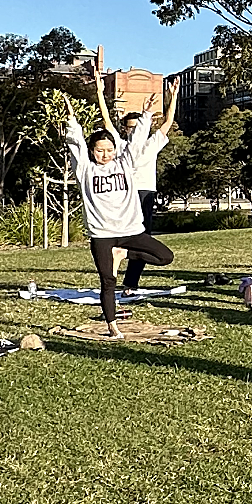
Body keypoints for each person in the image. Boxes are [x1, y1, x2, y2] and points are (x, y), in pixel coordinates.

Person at [63, 88, 176, 338]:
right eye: (99, 151)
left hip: (130, 231)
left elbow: (136, 142)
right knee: (108, 282)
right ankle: (113, 327)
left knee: (165, 257)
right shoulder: (84, 170)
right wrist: (72, 121)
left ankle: (123, 253)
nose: (105, 155)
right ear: (92, 151)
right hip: (102, 234)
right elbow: (76, 144)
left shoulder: (125, 163)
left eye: (109, 150)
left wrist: (146, 113)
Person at [91, 47, 181, 294]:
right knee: (125, 232)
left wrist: (172, 96)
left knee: (145, 236)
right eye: (129, 126)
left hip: (146, 194)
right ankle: (114, 268)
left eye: (136, 125)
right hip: (126, 194)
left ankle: (130, 282)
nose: (132, 130)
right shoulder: (118, 145)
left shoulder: (152, 143)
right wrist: (100, 92)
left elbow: (167, 123)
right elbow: (107, 120)